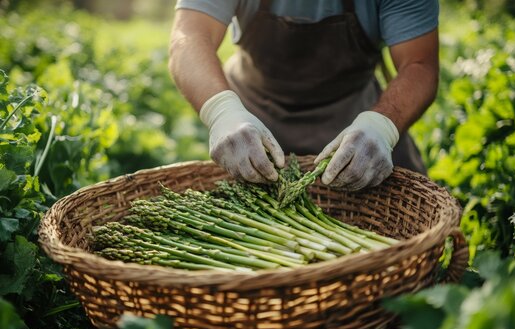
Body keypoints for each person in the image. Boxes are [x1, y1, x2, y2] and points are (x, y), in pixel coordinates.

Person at [168, 0, 439, 190]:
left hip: (357, 123)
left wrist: (382, 127)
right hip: (251, 123)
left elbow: (419, 64)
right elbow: (189, 36)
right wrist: (222, 112)